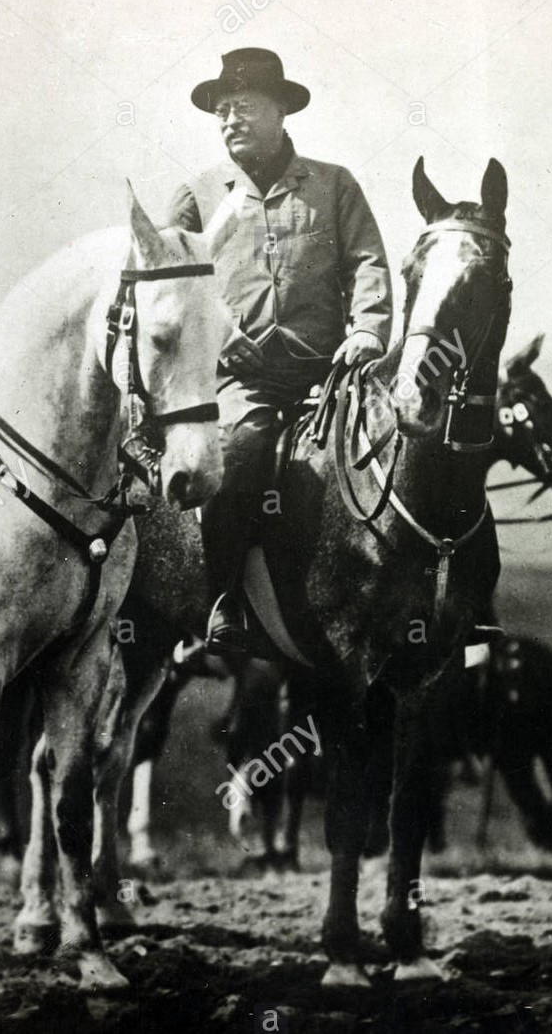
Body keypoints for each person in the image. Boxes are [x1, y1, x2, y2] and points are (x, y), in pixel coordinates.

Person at [167, 48, 393, 655]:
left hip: (334, 375)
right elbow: (172, 287)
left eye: (242, 107)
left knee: (405, 448)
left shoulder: (334, 184)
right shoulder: (196, 194)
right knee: (243, 448)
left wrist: (368, 329)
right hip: (244, 377)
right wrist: (218, 336)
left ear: (279, 112)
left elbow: (367, 261)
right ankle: (223, 599)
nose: (229, 120)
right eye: (221, 111)